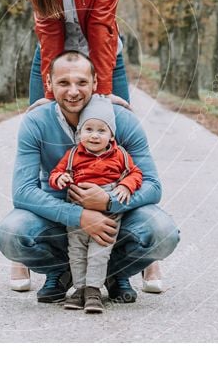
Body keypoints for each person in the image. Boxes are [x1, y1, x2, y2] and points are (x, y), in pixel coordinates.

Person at [0, 51, 179, 305]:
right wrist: (80, 216)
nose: (73, 91)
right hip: (58, 219)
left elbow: (152, 185)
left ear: (95, 83)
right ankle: (61, 271)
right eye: (63, 83)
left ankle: (115, 273)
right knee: (11, 233)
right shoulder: (36, 122)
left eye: (82, 82)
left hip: (116, 218)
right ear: (48, 84)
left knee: (162, 231)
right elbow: (22, 191)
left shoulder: (122, 120)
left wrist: (109, 201)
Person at [49, 95, 143, 313]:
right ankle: (79, 289)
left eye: (102, 130)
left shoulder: (119, 155)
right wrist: (60, 179)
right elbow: (56, 173)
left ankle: (93, 291)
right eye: (88, 129)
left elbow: (136, 173)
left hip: (108, 207)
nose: (94, 135)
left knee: (99, 252)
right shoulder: (72, 155)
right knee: (77, 250)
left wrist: (127, 185)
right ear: (79, 132)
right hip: (77, 208)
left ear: (111, 135)